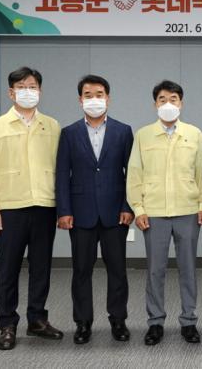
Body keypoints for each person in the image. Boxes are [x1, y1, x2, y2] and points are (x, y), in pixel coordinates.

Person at [0, 67, 63, 350]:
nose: (27, 91)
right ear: (11, 92)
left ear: (40, 91)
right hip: (10, 207)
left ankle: (37, 319)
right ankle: (7, 324)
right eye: (21, 86)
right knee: (9, 267)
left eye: (32, 86)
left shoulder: (52, 126)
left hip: (44, 205)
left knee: (41, 267)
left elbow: (60, 167)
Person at [126, 80, 202, 346]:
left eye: (173, 99)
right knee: (155, 270)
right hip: (154, 212)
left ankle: (189, 321)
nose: (168, 104)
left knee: (188, 269)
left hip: (188, 210)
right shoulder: (143, 135)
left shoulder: (194, 134)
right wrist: (139, 208)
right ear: (155, 104)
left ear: (181, 103)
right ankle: (155, 322)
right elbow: (134, 174)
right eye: (162, 99)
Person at [55, 74, 134, 344]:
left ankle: (118, 320)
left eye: (99, 94)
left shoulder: (123, 131)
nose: (94, 99)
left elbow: (132, 173)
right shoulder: (69, 133)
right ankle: (83, 322)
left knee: (117, 270)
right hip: (80, 213)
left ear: (108, 98)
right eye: (88, 95)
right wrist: (64, 211)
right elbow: (62, 174)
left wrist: (128, 206)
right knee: (81, 270)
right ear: (80, 100)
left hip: (115, 212)